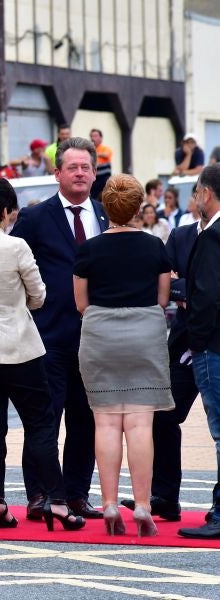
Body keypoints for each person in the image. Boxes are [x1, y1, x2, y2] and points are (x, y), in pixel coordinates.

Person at [0, 177, 84, 532]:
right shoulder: (16, 247)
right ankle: (57, 502)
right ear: (5, 211)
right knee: (41, 425)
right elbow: (39, 296)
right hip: (18, 350)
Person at [11, 137, 108, 521]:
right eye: (73, 167)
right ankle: (38, 494)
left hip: (95, 339)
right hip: (47, 337)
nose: (81, 173)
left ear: (95, 172)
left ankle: (76, 495)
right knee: (43, 419)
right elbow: (16, 271)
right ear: (57, 173)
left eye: (87, 167)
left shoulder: (104, 216)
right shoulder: (35, 218)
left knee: (85, 420)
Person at [73, 173, 174, 537]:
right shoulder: (153, 247)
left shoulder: (88, 249)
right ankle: (143, 505)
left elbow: (81, 303)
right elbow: (163, 299)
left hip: (101, 334)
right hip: (144, 333)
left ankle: (111, 502)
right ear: (137, 207)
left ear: (106, 206)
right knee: (140, 424)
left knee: (106, 423)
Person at [120, 215, 204, 523]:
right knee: (163, 414)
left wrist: (188, 288)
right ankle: (165, 497)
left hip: (216, 343)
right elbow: (165, 280)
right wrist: (187, 289)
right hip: (183, 343)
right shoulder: (181, 236)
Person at [178, 164, 220, 540]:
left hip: (213, 346)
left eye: (196, 193)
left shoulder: (212, 236)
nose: (195, 200)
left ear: (207, 193)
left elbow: (205, 296)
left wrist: (196, 340)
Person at [89, 129, 113, 201]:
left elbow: (106, 155)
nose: (93, 138)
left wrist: (94, 153)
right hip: (94, 180)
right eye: (92, 136)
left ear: (101, 138)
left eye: (95, 136)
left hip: (104, 180)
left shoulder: (105, 148)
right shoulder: (89, 150)